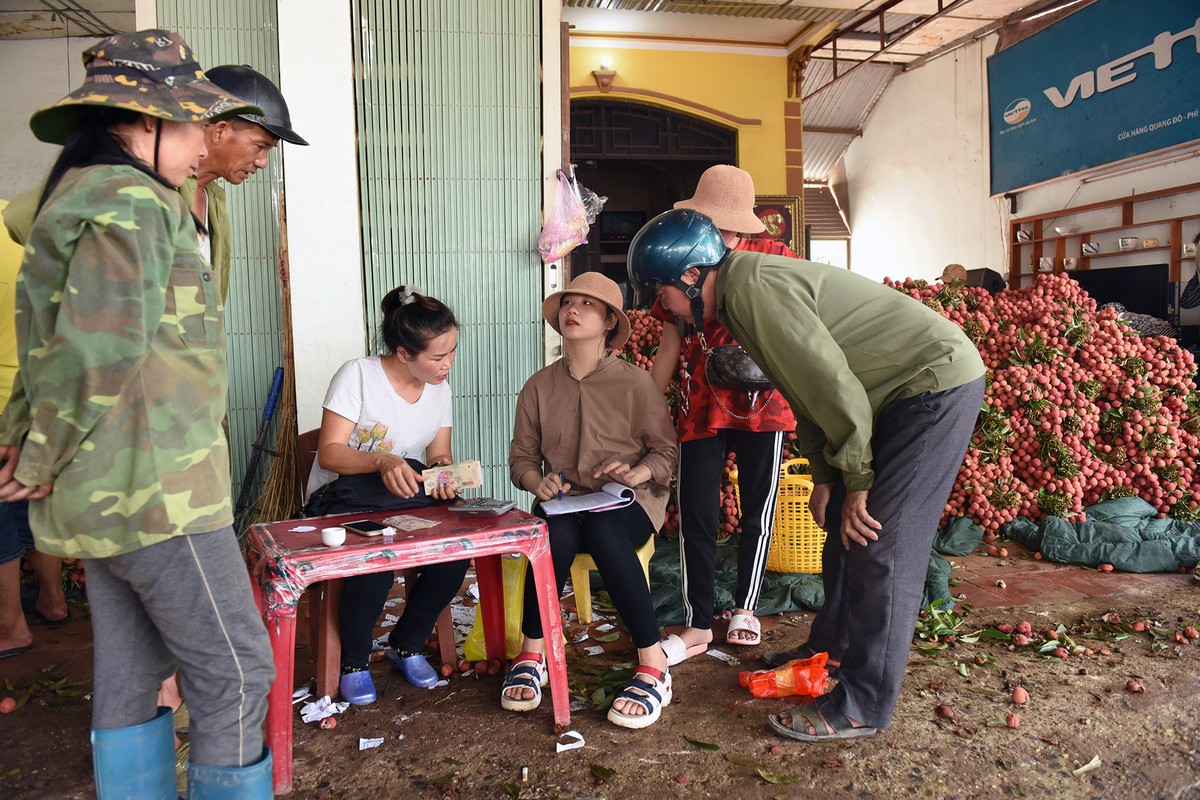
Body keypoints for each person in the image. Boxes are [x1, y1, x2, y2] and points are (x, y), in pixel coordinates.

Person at [0, 31, 276, 797]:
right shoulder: (128, 201)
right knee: (239, 671)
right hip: (159, 490)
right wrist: (36, 454)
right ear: (144, 121)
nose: (201, 147)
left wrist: (33, 446)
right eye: (193, 125)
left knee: (130, 667)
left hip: (112, 487)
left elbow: (53, 346)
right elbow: (93, 352)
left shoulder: (88, 193)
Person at [627, 209, 985, 743]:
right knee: (844, 532)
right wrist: (827, 475)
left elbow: (832, 384)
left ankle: (863, 704)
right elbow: (804, 392)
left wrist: (857, 478)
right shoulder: (738, 293)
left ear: (689, 275)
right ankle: (830, 652)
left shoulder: (753, 291)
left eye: (664, 294)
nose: (665, 309)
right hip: (886, 397)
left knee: (882, 543)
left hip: (929, 386)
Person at [502, 272, 678, 729]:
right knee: (551, 534)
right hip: (564, 501)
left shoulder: (636, 385)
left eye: (586, 304)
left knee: (602, 530)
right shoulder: (538, 387)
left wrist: (638, 471)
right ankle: (533, 652)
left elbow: (665, 453)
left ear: (608, 323)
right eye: (567, 302)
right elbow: (521, 458)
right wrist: (534, 482)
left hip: (628, 500)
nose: (572, 310)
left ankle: (653, 662)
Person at [648, 165, 798, 663]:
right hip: (702, 403)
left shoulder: (777, 258)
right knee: (696, 508)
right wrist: (649, 402)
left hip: (766, 403)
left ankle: (746, 607)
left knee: (760, 505)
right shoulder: (683, 257)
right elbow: (671, 336)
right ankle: (696, 618)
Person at [305, 286, 468, 705]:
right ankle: (355, 661)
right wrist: (381, 460)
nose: (447, 364)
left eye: (451, 351)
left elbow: (437, 454)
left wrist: (445, 474)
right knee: (375, 561)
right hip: (344, 495)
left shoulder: (439, 389)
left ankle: (407, 644)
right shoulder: (357, 375)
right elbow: (330, 452)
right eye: (437, 357)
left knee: (453, 553)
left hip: (403, 495)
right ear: (402, 354)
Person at [0, 199, 69, 661]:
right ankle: (53, 599)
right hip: (42, 394)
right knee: (34, 503)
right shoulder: (27, 220)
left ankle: (10, 627)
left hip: (5, 396)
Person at [184, 64, 308, 302]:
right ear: (220, 132)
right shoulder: (152, 194)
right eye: (260, 147)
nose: (262, 162)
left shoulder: (214, 201)